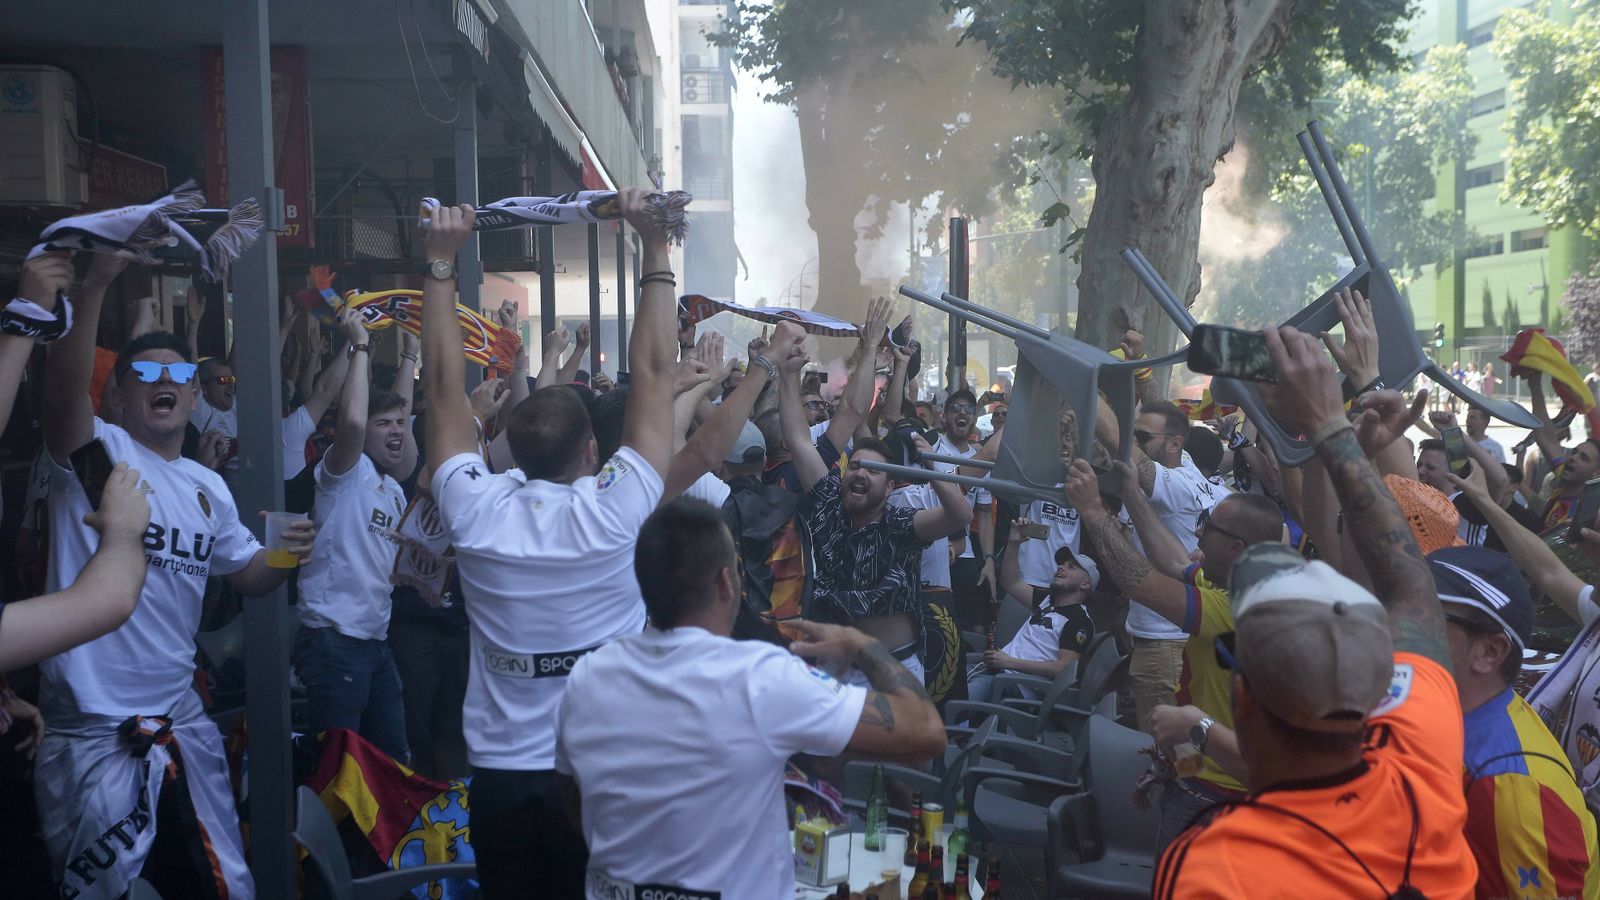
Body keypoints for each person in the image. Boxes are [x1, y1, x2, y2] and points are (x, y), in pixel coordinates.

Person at [419, 192, 685, 897]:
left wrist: (441, 265)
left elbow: (445, 390)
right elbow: (656, 376)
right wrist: (654, 244)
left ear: (511, 453)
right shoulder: (616, 511)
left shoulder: (477, 511)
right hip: (602, 772)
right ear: (594, 450)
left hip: (503, 781)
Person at [1155, 324, 1477, 898]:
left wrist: (1331, 429)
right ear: (1381, 685)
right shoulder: (1421, 767)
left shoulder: (1217, 867)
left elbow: (1407, 589)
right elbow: (1410, 585)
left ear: (1241, 702)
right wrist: (1332, 430)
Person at [35, 251, 316, 900]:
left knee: (224, 882)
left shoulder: (204, 487)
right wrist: (100, 282)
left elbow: (245, 575)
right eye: (145, 372)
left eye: (179, 373)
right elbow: (60, 397)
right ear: (118, 393)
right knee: (100, 890)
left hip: (180, 718)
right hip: (94, 726)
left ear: (195, 395)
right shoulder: (101, 455)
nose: (165, 379)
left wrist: (285, 553)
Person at [555, 498, 944, 899]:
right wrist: (862, 644)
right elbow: (926, 731)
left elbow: (574, 797)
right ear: (727, 582)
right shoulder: (760, 677)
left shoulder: (588, 676)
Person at [1067, 458, 1283, 850]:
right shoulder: (1238, 579)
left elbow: (1143, 584)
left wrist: (1092, 510)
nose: (1198, 537)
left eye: (1208, 528)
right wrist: (1132, 493)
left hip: (1217, 798)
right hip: (1201, 775)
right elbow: (1173, 561)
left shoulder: (1243, 606)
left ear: (1235, 548)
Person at [777, 328, 971, 684]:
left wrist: (934, 465)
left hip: (890, 671)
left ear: (892, 485)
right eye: (856, 466)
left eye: (874, 470)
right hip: (830, 668)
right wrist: (787, 374)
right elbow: (797, 441)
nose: (860, 474)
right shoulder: (828, 507)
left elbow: (961, 516)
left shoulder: (901, 523)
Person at [1427, 545, 1599, 899]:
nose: (1396, 625)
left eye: (1426, 615)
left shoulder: (1510, 788)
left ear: (1489, 652)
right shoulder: (1455, 711)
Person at [292, 308, 418, 762]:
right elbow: (351, 423)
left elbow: (395, 569)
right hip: (332, 641)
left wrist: (409, 359)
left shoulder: (393, 492)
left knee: (393, 761)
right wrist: (361, 346)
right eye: (384, 425)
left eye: (401, 424)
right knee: (340, 769)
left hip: (375, 644)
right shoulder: (345, 471)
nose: (396, 432)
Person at [1094, 396, 1222, 733]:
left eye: (1142, 438)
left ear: (1175, 444)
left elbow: (1120, 445)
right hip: (1174, 638)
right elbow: (1166, 426)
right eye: (1134, 434)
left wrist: (1081, 381)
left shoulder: (1174, 486)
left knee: (1165, 750)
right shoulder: (1189, 466)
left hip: (1163, 647)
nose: (1134, 443)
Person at [967, 520, 1098, 703]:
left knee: (957, 698)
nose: (1060, 567)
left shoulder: (1079, 621)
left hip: (1015, 686)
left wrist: (1009, 662)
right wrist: (1014, 543)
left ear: (1086, 584)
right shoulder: (1048, 601)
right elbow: (1011, 582)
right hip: (995, 671)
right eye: (1061, 565)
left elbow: (1064, 669)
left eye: (1071, 567)